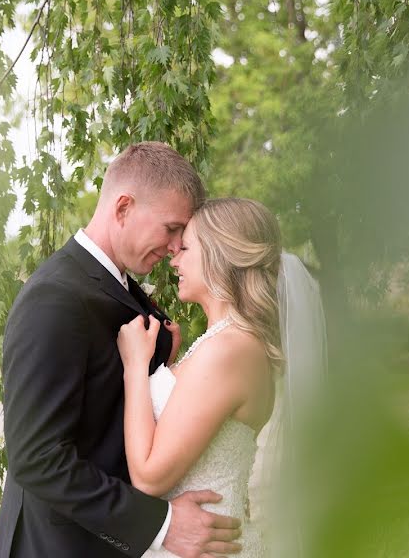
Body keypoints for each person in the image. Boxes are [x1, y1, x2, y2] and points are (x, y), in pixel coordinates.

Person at [0, 142, 243, 558]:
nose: (176, 246)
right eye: (171, 228)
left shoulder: (118, 286)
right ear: (123, 207)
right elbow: (37, 458)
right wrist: (160, 524)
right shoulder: (55, 299)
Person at [117, 197, 292, 558]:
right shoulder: (228, 345)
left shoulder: (228, 350)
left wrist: (135, 367)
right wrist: (169, 363)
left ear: (217, 255)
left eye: (185, 248)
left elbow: (149, 478)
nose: (174, 258)